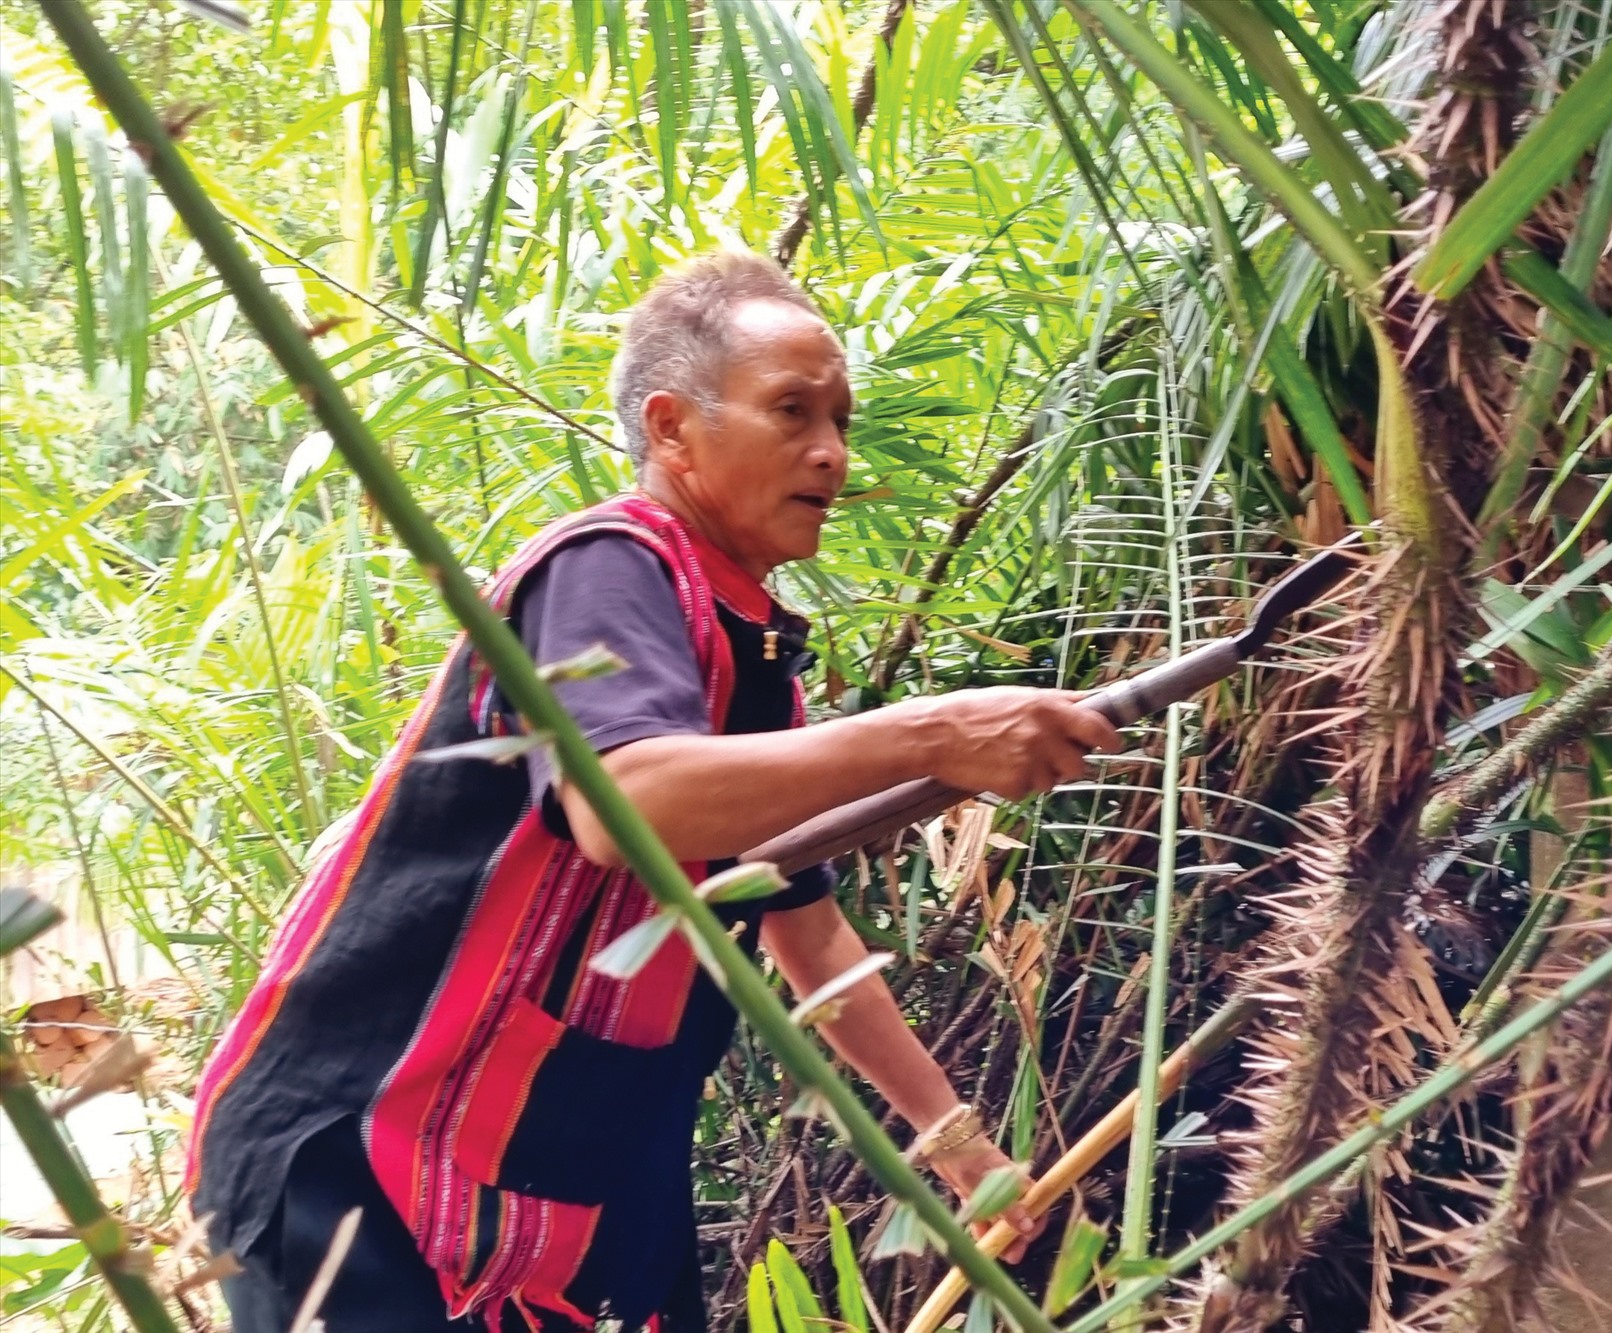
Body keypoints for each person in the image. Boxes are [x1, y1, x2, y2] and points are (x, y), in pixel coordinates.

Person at [188, 251, 1123, 1333]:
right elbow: (624, 802)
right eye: (791, 411)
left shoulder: (755, 664)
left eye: (841, 419)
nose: (830, 451)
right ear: (672, 428)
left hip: (558, 1171)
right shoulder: (608, 566)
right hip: (366, 1154)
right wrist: (930, 733)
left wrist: (960, 1150)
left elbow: (808, 939)